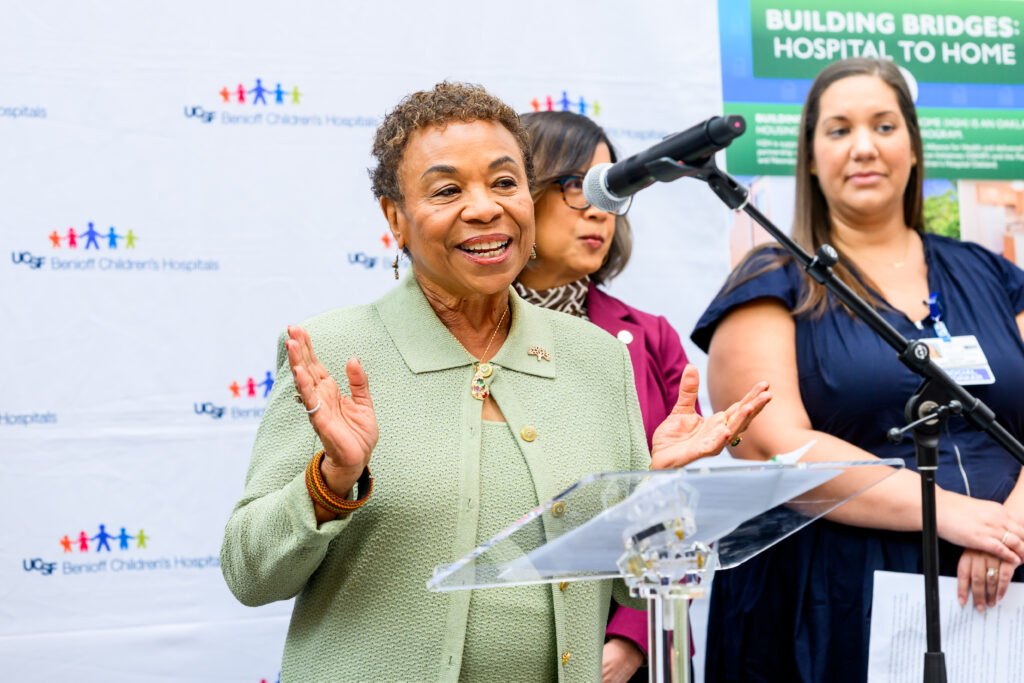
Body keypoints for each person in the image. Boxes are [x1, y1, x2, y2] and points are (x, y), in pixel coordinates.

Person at [220, 82, 771, 682]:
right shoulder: (332, 351)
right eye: (448, 189)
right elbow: (251, 575)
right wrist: (332, 481)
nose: (485, 207)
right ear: (395, 219)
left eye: (505, 183)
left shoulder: (596, 359)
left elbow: (635, 597)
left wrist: (654, 493)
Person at [691, 57, 1024, 682]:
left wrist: (1011, 525)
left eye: (885, 126)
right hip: (837, 595)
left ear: (916, 147)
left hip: (1009, 575)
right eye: (839, 130)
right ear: (811, 159)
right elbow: (774, 446)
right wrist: (948, 512)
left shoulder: (993, 273)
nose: (864, 147)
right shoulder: (771, 280)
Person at [515, 110, 698, 683]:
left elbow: (679, 506)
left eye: (611, 189)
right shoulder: (460, 330)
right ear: (518, 193)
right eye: (575, 186)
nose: (599, 208)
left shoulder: (652, 337)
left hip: (622, 645)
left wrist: (633, 637)